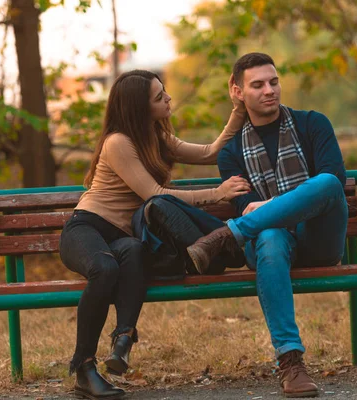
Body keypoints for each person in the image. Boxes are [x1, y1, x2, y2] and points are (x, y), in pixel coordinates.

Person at [59, 69, 250, 399]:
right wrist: (216, 194)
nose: (168, 99)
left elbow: (210, 153)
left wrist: (239, 109)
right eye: (159, 97)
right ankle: (84, 369)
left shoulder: (156, 139)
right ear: (139, 107)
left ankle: (122, 342)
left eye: (165, 93)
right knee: (105, 267)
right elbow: (155, 195)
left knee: (132, 252)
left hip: (122, 237)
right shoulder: (118, 143)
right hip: (87, 228)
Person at [186, 53, 348, 398]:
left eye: (273, 82)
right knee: (270, 234)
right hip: (270, 247)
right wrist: (281, 208)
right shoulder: (230, 151)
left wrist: (271, 205)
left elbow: (333, 180)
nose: (269, 90)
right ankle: (291, 362)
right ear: (237, 91)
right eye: (257, 84)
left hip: (318, 238)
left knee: (327, 184)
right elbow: (248, 209)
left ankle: (226, 235)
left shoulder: (312, 124)